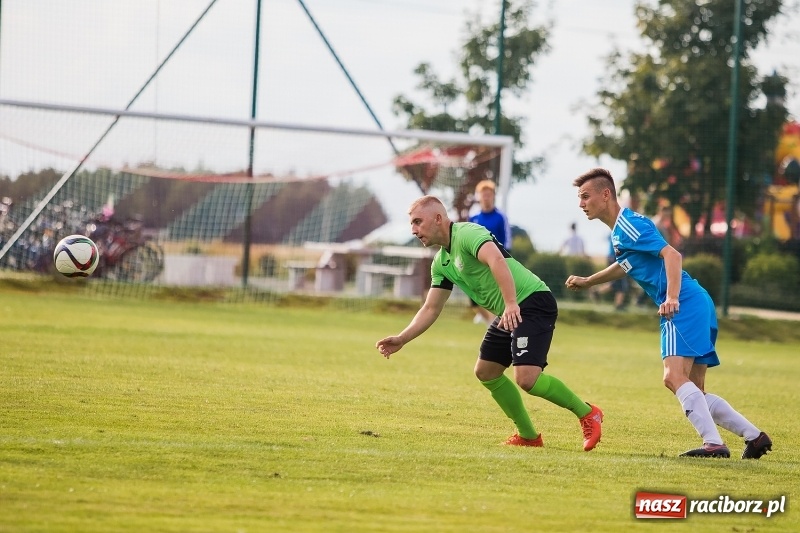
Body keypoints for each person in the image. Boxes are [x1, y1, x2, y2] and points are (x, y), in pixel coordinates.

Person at [565, 168, 772, 459]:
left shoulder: (630, 225)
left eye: (585, 196)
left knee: (673, 377)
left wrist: (672, 298)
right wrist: (589, 281)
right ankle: (755, 437)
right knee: (695, 389)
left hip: (683, 303)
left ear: (606, 194)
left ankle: (713, 444)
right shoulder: (621, 231)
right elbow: (626, 265)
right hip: (697, 302)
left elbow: (672, 255)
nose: (581, 203)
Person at [376, 195, 603, 450]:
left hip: (531, 301)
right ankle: (529, 436)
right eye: (412, 224)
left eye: (418, 222)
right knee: (486, 372)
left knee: (527, 379)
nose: (414, 230)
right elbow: (431, 308)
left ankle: (587, 413)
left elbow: (496, 260)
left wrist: (510, 304)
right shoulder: (441, 263)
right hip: (511, 309)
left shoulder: (468, 233)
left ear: (438, 218)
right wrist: (402, 338)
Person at [468, 179, 512, 324]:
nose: (486, 197)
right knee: (472, 298)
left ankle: (494, 324)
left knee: (495, 296)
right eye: (483, 194)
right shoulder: (473, 218)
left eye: (489, 194)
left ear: (493, 196)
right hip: (476, 263)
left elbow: (507, 242)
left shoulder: (500, 217)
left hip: (494, 263)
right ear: (478, 196)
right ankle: (489, 321)